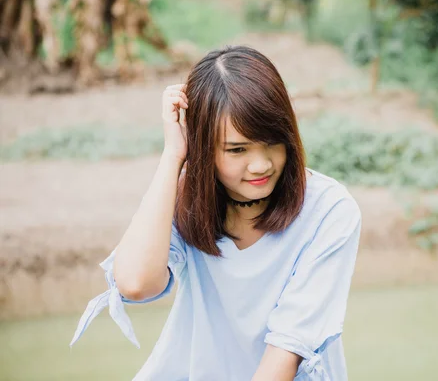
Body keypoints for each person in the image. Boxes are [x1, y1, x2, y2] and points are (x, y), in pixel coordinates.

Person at [69, 45, 362, 380]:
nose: (261, 164)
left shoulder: (329, 210)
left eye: (272, 143)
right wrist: (173, 156)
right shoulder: (187, 199)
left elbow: (287, 349)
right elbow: (136, 283)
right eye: (237, 150)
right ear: (203, 145)